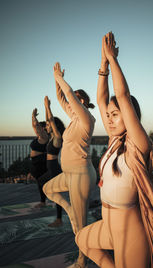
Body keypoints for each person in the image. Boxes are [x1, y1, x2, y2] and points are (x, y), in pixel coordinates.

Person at [75, 32, 153, 268]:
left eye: (115, 115)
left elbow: (122, 95)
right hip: (109, 225)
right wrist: (102, 66)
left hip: (132, 232)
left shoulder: (138, 144)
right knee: (82, 239)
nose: (109, 120)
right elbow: (102, 100)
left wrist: (112, 59)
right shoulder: (113, 141)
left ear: (130, 117)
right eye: (108, 116)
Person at [43, 63, 97, 267]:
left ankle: (82, 260)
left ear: (81, 101)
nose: (70, 101)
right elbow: (61, 97)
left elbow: (68, 95)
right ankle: (70, 210)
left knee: (81, 226)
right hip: (70, 174)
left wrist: (60, 79)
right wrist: (55, 78)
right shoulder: (74, 119)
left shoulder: (85, 118)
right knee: (48, 188)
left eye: (75, 98)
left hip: (81, 175)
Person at [37, 96, 65, 227]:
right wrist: (45, 107)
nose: (46, 126)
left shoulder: (58, 138)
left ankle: (59, 219)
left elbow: (51, 121)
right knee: (41, 180)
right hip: (51, 168)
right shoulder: (52, 137)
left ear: (54, 127)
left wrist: (48, 107)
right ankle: (43, 202)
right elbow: (50, 120)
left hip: (54, 168)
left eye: (48, 125)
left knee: (55, 192)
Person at [30, 108, 48, 208]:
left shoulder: (44, 137)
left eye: (40, 127)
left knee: (42, 182)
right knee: (40, 182)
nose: (37, 128)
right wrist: (33, 117)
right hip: (36, 162)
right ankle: (43, 201)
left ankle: (43, 202)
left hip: (41, 162)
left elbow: (36, 126)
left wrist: (33, 116)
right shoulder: (39, 137)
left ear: (43, 128)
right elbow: (34, 126)